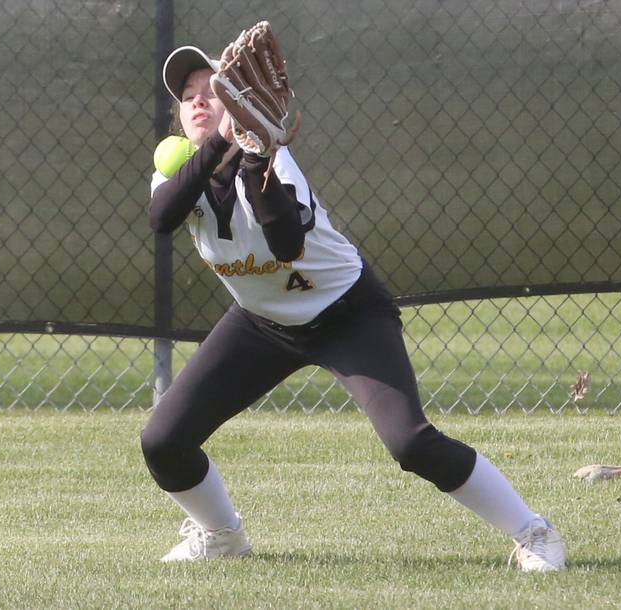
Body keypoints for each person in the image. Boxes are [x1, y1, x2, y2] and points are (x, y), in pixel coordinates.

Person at [142, 44, 567, 572]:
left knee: (410, 443)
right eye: (188, 97)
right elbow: (161, 220)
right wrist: (217, 145)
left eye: (214, 93)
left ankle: (535, 532)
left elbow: (286, 245)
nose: (199, 102)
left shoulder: (274, 161)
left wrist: (255, 157)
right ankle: (222, 535)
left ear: (244, 104)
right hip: (263, 323)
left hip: (347, 312)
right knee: (163, 440)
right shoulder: (175, 168)